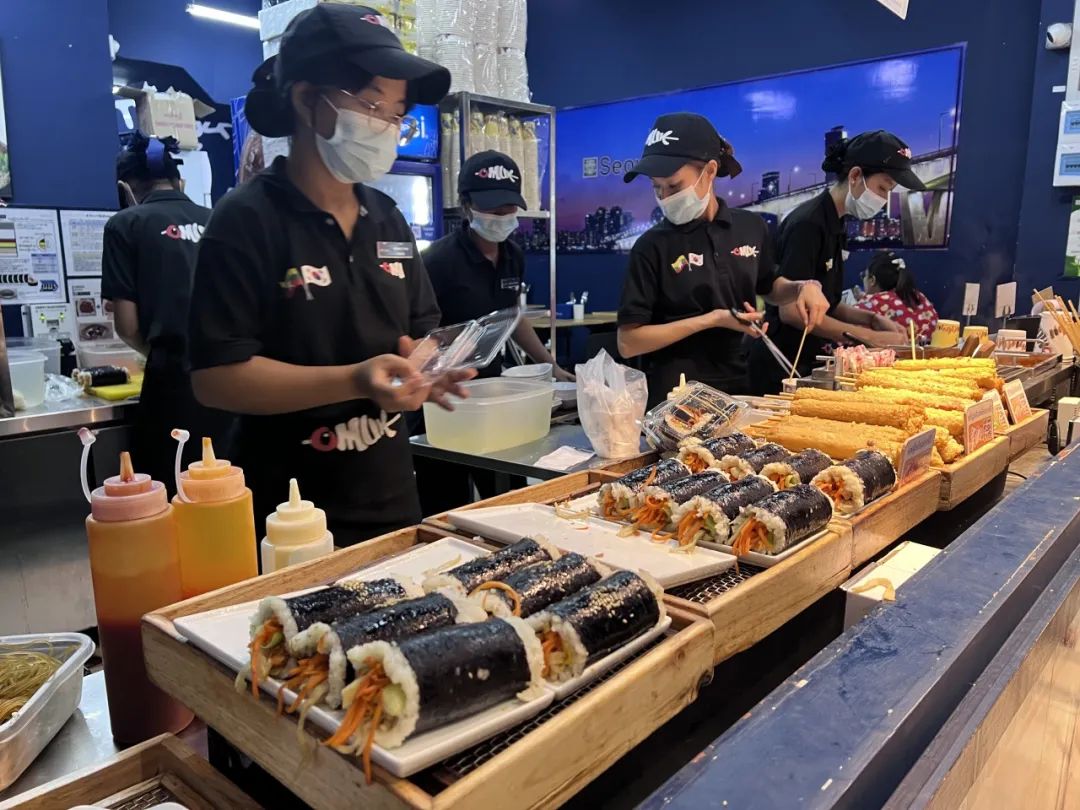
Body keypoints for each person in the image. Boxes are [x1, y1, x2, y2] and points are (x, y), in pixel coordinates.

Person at [187, 4, 471, 543]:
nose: (386, 127)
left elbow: (420, 332)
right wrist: (352, 379)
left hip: (390, 499)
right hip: (287, 516)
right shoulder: (246, 219)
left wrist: (427, 368)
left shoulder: (388, 219)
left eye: (396, 113)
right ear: (306, 100)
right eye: (371, 104)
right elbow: (216, 378)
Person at [616, 112, 829, 407]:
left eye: (674, 186)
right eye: (656, 187)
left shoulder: (750, 227)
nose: (664, 197)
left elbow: (769, 287)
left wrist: (803, 287)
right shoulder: (650, 246)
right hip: (675, 396)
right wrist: (714, 319)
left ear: (710, 171)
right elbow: (628, 342)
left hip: (739, 384)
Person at [102, 132, 235, 492]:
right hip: (232, 382)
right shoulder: (219, 219)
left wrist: (159, 354)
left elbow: (126, 324)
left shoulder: (125, 225)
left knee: (173, 491)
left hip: (173, 385)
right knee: (227, 489)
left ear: (125, 188)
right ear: (181, 182)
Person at [748, 130, 926, 395]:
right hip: (782, 364)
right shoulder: (808, 224)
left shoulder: (837, 222)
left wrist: (872, 319)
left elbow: (826, 302)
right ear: (855, 176)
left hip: (809, 358)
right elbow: (793, 311)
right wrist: (868, 337)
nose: (884, 200)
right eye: (882, 188)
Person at [424, 150, 572, 380]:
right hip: (445, 384)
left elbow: (513, 317)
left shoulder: (513, 255)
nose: (502, 214)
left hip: (491, 380)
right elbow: (421, 336)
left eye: (509, 207)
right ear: (466, 205)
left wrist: (553, 368)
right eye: (492, 208)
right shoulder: (437, 260)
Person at [855, 250, 939, 343]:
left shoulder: (870, 304)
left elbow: (849, 335)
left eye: (864, 276)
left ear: (872, 280)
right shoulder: (919, 297)